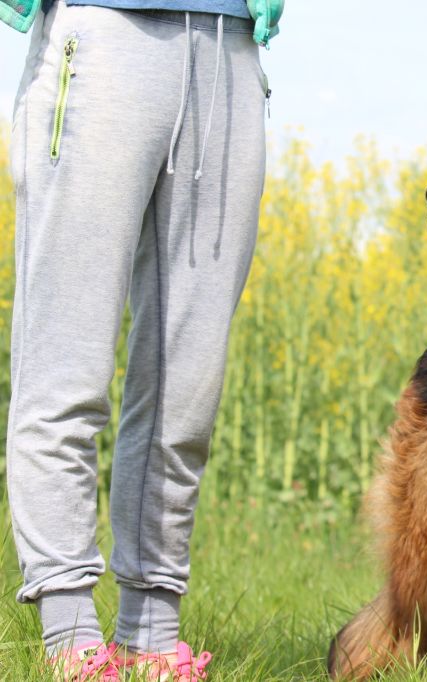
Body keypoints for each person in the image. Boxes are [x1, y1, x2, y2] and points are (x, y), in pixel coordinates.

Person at [4, 0, 281, 678]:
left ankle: (150, 638)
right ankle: (70, 636)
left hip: (229, 51)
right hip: (102, 35)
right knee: (66, 363)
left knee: (186, 386)